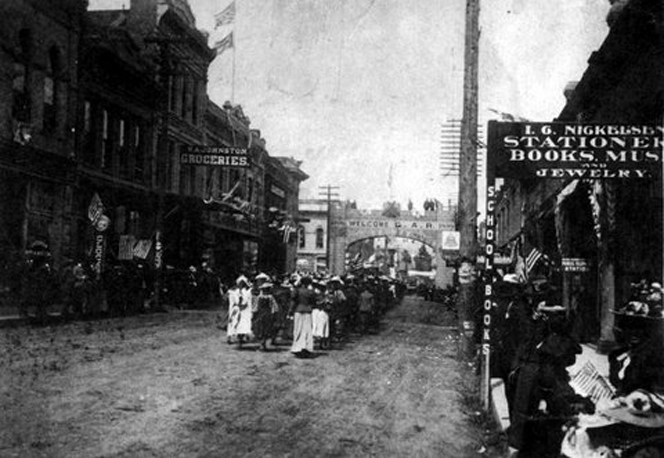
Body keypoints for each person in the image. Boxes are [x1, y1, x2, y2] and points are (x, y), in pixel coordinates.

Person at [289, 276, 316, 357]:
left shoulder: (297, 291)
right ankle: (307, 347)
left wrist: (290, 310)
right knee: (307, 330)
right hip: (308, 311)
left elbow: (293, 301)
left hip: (298, 310)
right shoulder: (311, 292)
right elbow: (313, 301)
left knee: (298, 329)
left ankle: (298, 347)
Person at [252, 283, 279, 351]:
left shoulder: (268, 297)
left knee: (265, 328)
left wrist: (254, 312)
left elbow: (273, 306)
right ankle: (262, 343)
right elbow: (274, 306)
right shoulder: (263, 297)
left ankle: (263, 343)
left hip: (265, 314)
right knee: (262, 328)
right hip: (264, 313)